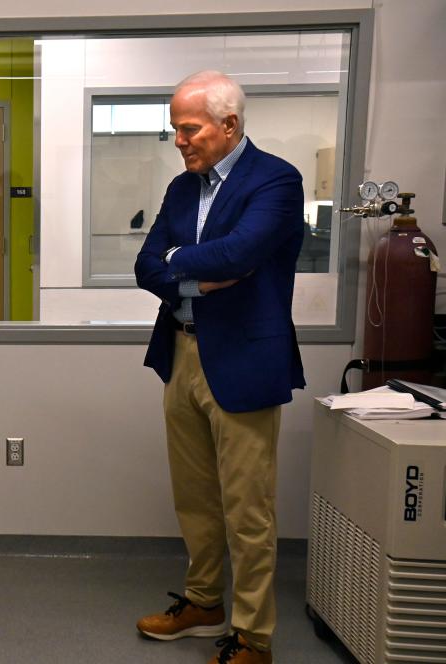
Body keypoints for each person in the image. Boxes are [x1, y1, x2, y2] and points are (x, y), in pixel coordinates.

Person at [133, 71, 306, 664]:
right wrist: (192, 267)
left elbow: (241, 252)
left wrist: (177, 261)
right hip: (181, 351)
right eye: (175, 129)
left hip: (245, 359)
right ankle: (203, 602)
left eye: (189, 128)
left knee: (247, 509)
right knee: (195, 497)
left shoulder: (277, 180)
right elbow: (144, 265)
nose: (179, 140)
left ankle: (253, 635)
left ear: (228, 125)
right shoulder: (184, 187)